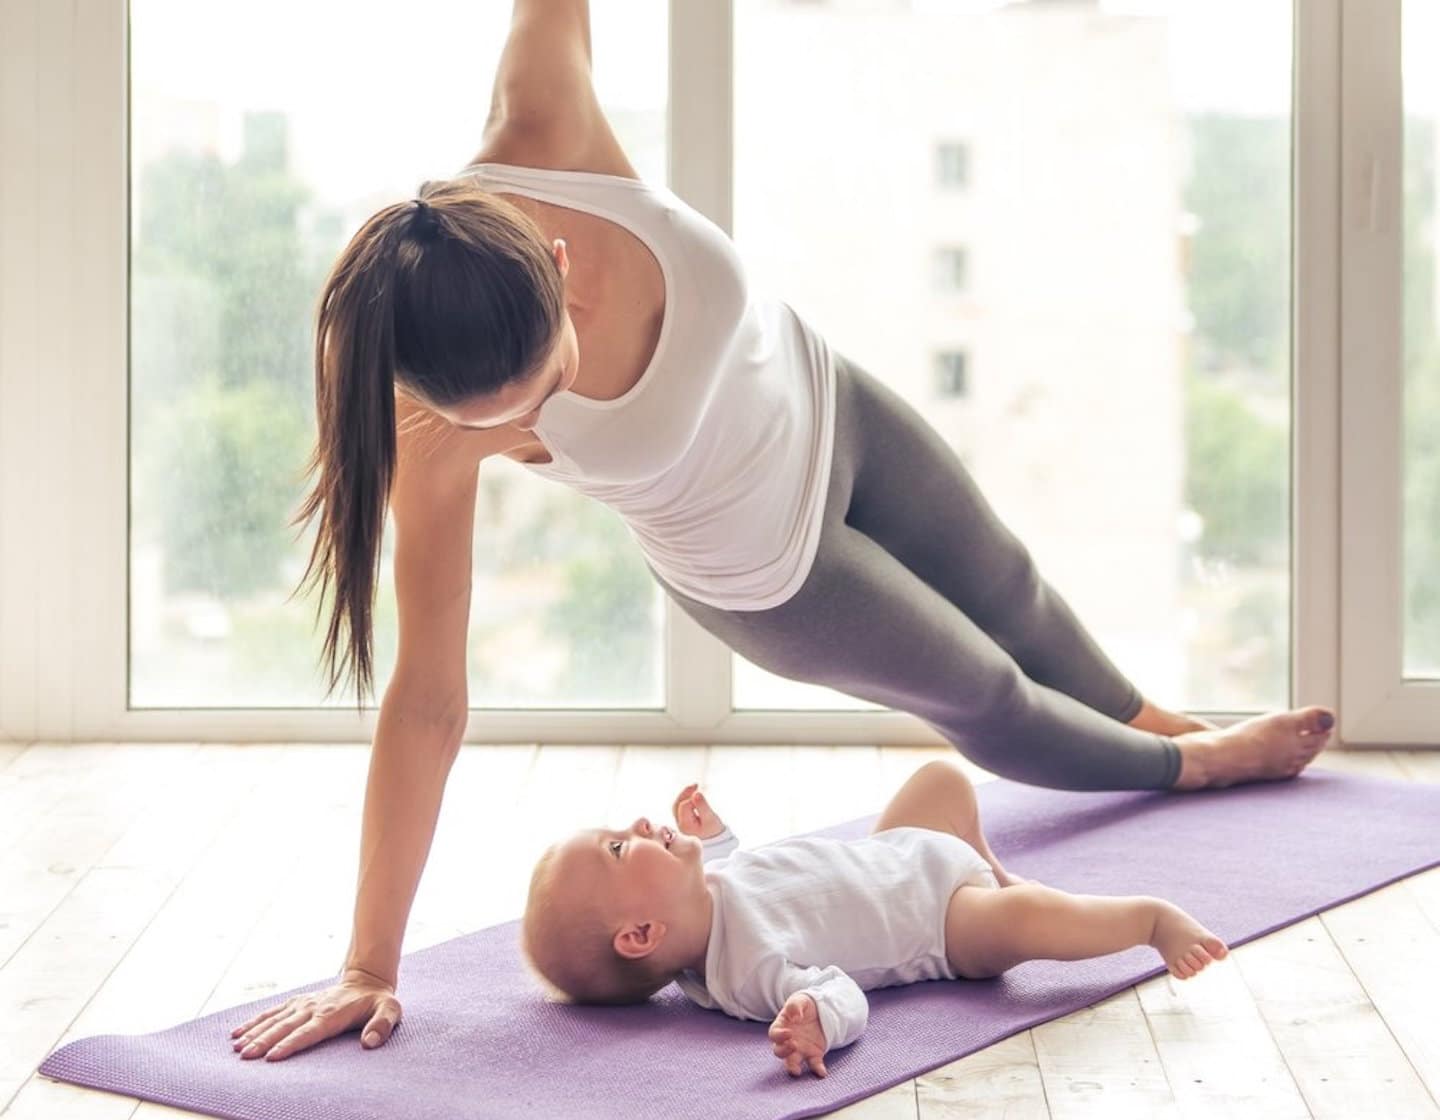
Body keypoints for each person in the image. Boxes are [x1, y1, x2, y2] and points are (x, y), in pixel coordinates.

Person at [229, 1, 1333, 1063]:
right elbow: (427, 696)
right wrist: (369, 962)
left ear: (556, 265)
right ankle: (1193, 764)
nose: (528, 424)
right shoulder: (429, 431)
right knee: (985, 690)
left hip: (827, 398)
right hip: (770, 566)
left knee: (1014, 587)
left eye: (542, 385)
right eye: (503, 423)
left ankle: (1151, 718)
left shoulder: (544, 132)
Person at [520, 760, 1229, 1080]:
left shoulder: (703, 891)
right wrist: (812, 1020)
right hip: (939, 921)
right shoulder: (747, 974)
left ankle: (994, 867)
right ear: (641, 936)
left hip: (898, 852)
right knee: (1026, 920)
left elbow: (748, 870)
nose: (639, 823)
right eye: (621, 845)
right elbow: (842, 994)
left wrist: (717, 836)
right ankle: (1150, 923)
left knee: (940, 779)